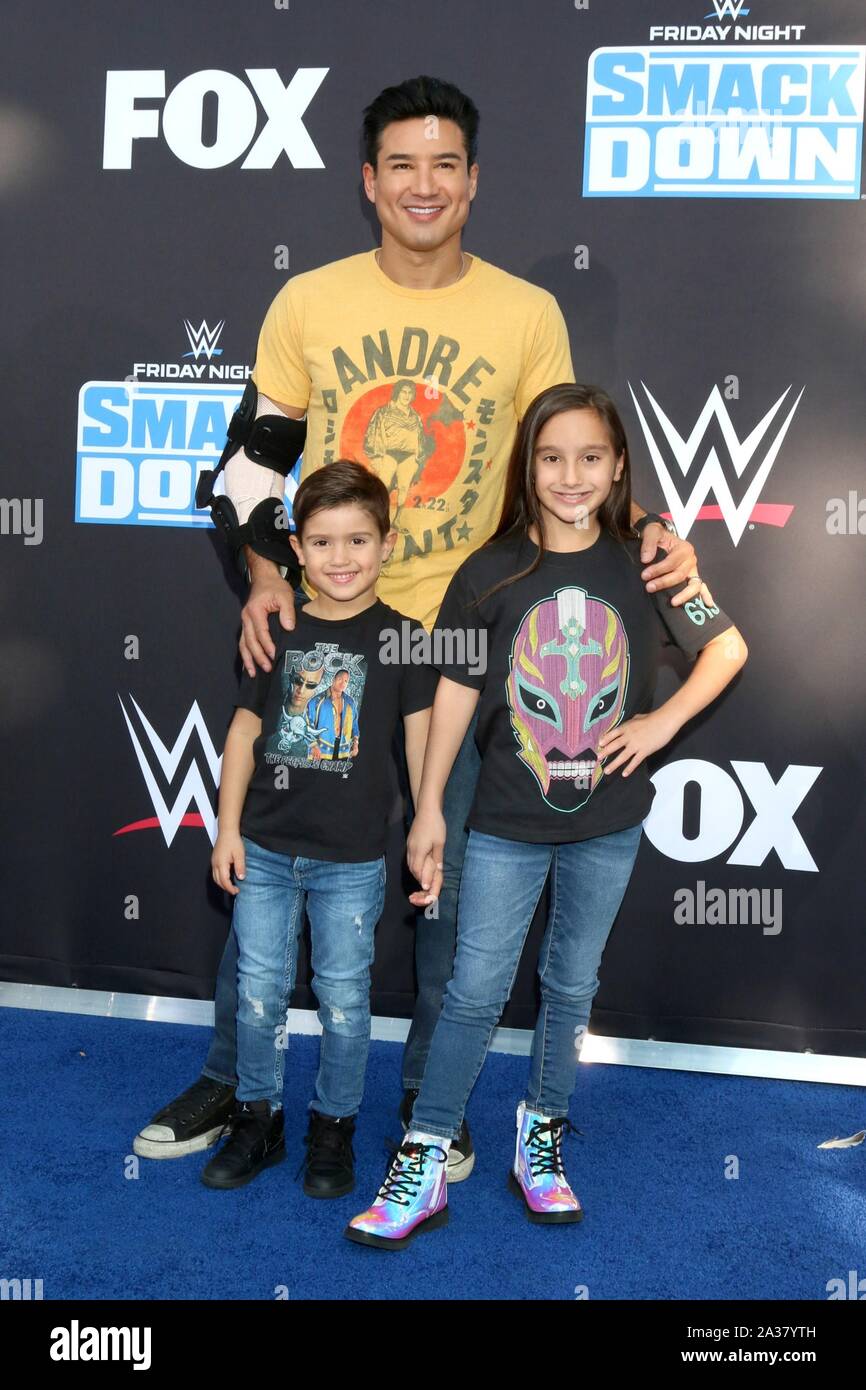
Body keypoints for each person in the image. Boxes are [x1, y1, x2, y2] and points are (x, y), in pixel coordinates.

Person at [133, 76, 705, 1183]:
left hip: (464, 634)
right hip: (340, 626)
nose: (424, 184)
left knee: (446, 869)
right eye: (402, 163)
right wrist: (261, 575)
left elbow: (568, 457)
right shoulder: (309, 301)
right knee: (279, 841)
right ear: (368, 180)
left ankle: (420, 1108)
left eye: (445, 163)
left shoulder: (525, 313)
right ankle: (233, 1071)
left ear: (474, 179)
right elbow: (249, 464)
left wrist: (654, 537)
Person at [345, 384, 747, 1248]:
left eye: (591, 457)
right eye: (552, 457)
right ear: (527, 465)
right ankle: (422, 1156)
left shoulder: (650, 564)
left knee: (571, 987)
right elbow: (454, 693)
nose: (572, 475)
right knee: (474, 990)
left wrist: (663, 722)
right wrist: (428, 811)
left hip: (610, 824)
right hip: (502, 824)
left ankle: (543, 1140)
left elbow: (728, 646)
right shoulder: (488, 573)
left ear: (616, 468)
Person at [200, 462, 436, 1195]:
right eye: (325, 542)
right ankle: (257, 1118)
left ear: (388, 545)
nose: (341, 558)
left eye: (358, 540)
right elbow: (243, 734)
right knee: (260, 990)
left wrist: (430, 822)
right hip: (265, 852)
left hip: (351, 863)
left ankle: (333, 1129)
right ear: (297, 549)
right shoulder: (279, 626)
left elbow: (425, 741)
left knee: (344, 1000)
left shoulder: (405, 639)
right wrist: (227, 828)